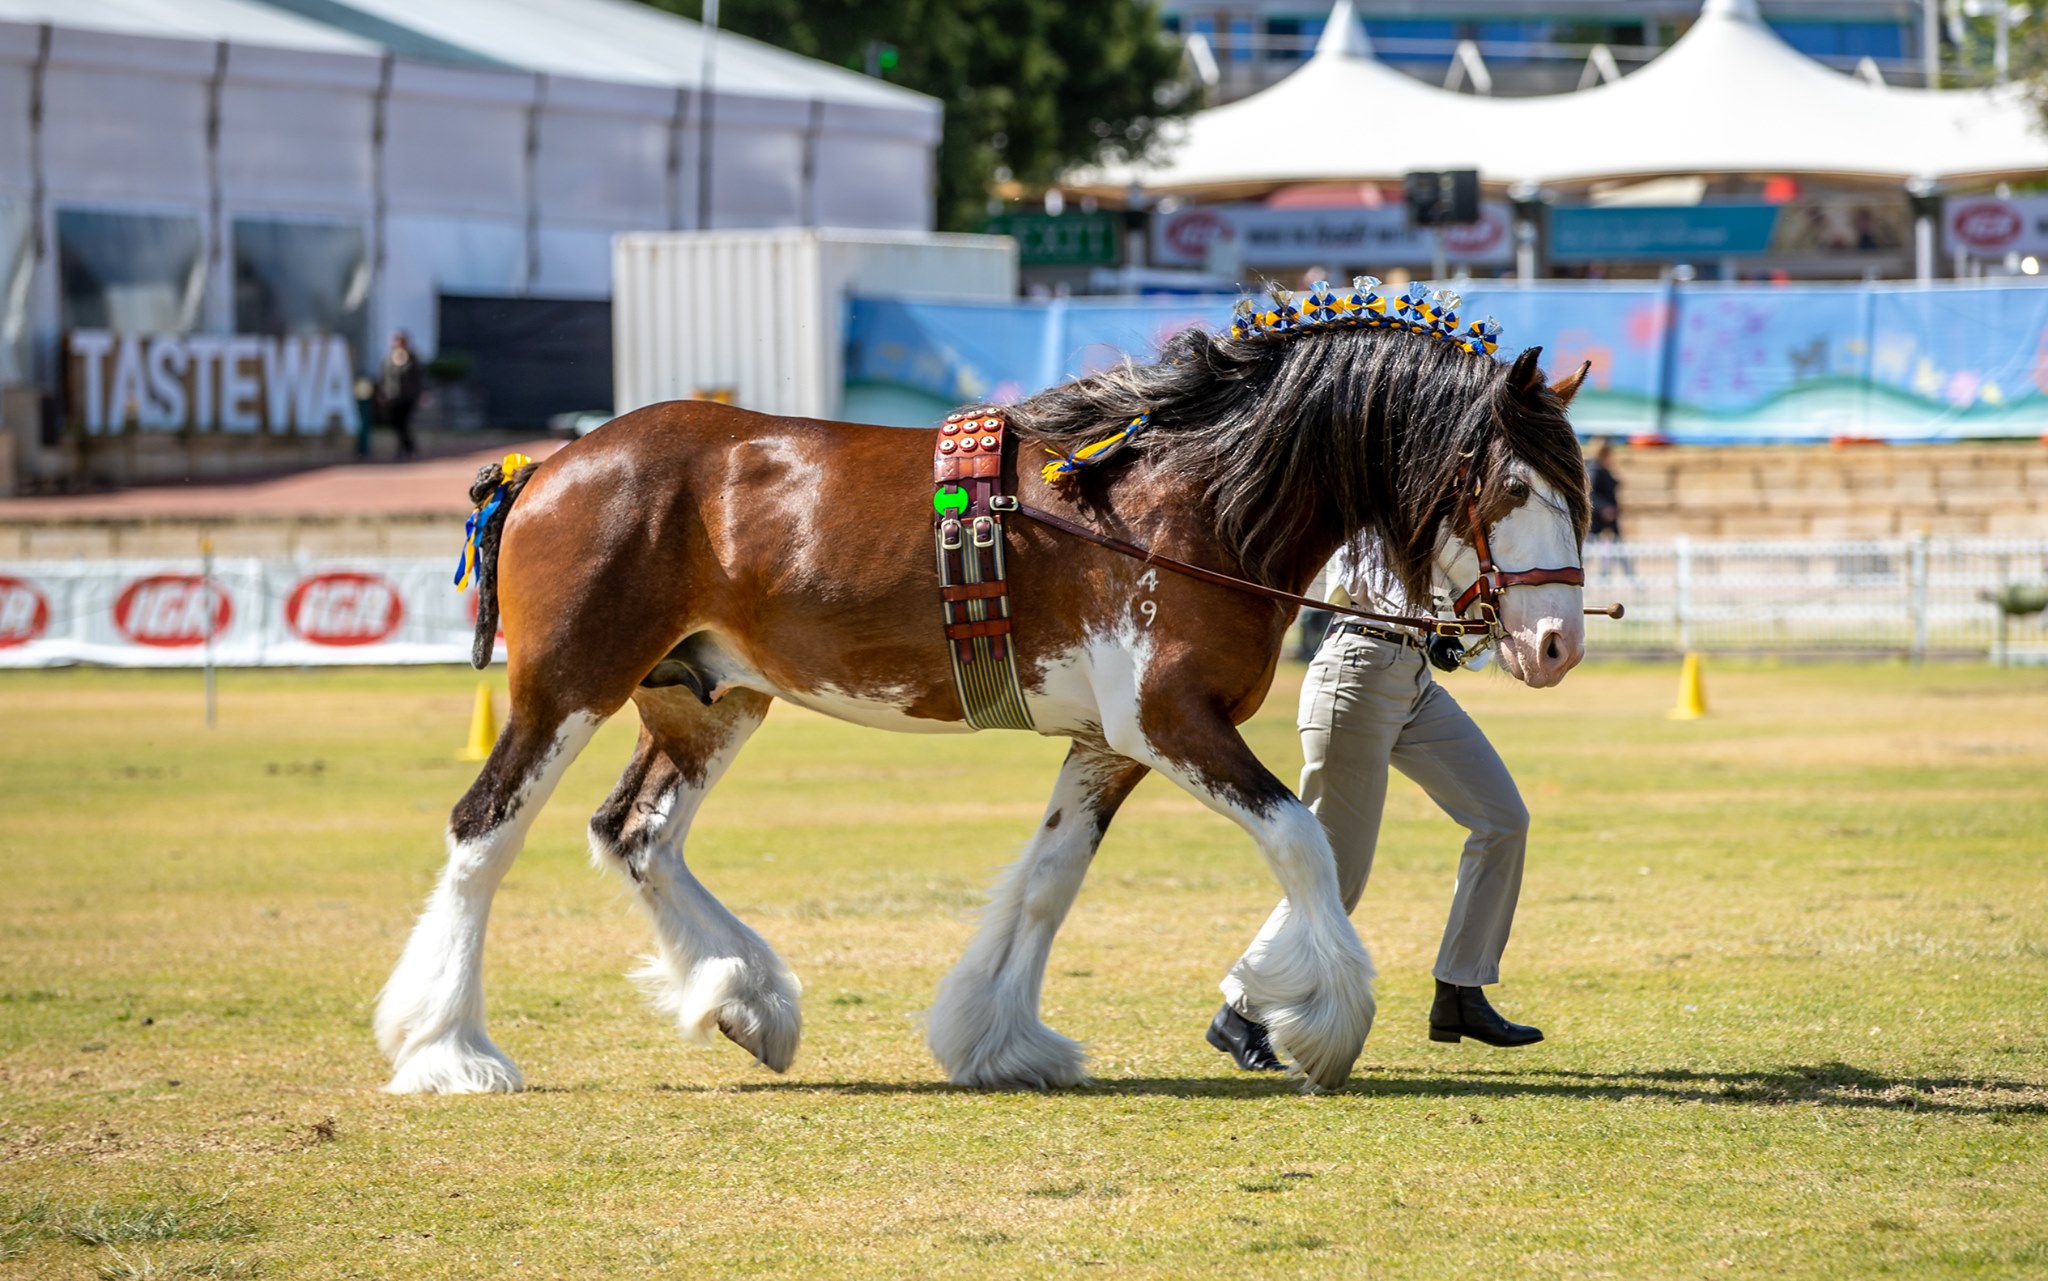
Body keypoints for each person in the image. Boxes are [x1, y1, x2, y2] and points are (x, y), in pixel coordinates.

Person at [1206, 532, 1543, 1072]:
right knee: (1336, 876)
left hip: (1412, 679)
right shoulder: (1377, 486)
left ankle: (1461, 990)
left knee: (1502, 819)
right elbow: (1379, 578)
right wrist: (1433, 620)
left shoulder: (1441, 509)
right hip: (1355, 673)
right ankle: (1240, 1013)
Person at [377, 331, 424, 461]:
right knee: (396, 424)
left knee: (404, 423)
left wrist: (420, 394)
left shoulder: (412, 358)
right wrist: (382, 393)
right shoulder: (389, 358)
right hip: (393, 396)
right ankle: (409, 447)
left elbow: (419, 378)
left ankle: (403, 450)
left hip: (408, 397)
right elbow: (384, 377)